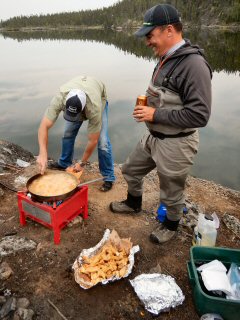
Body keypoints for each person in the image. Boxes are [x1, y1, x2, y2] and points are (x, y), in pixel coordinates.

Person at [110, 4, 212, 243]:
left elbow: (200, 115)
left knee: (171, 191)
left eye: (150, 35)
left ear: (168, 30)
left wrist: (154, 115)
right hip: (153, 138)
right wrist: (148, 111)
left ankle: (171, 225)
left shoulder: (194, 66)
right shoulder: (166, 59)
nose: (147, 42)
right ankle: (133, 203)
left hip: (177, 143)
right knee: (130, 170)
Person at [37, 75, 115, 192]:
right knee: (68, 133)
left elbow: (92, 140)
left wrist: (82, 163)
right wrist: (42, 153)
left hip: (98, 97)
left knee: (102, 142)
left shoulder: (94, 108)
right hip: (79, 93)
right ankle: (64, 163)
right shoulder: (60, 99)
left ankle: (108, 176)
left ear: (83, 109)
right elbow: (44, 126)